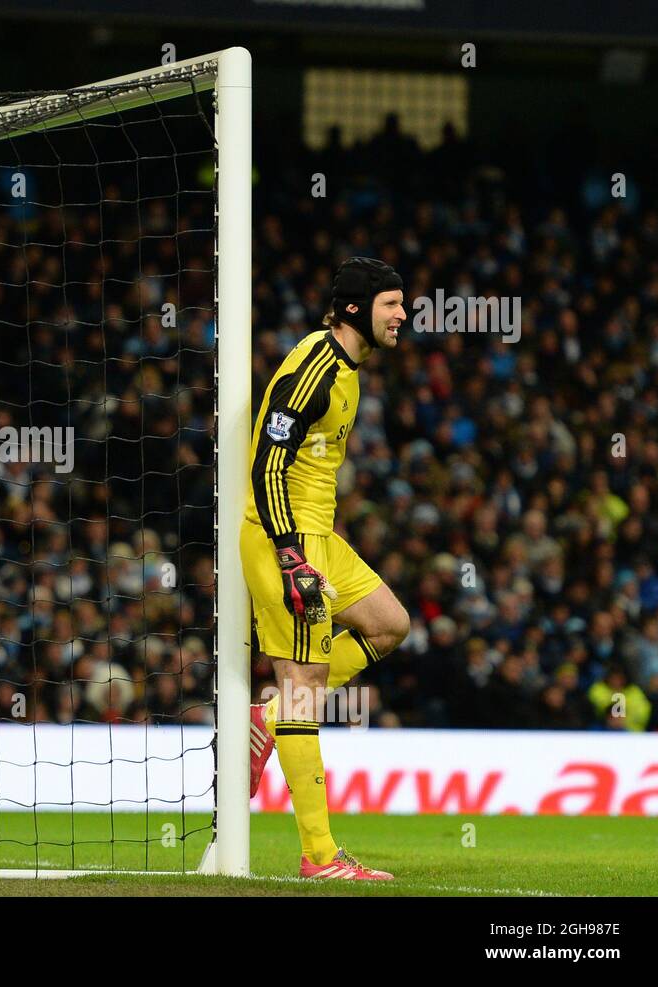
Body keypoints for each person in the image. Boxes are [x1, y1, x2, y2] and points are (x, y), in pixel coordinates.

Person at [243, 257, 412, 880]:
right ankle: (319, 856)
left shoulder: (348, 368)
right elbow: (266, 464)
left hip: (321, 533)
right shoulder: (313, 369)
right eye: (392, 304)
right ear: (353, 309)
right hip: (282, 536)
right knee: (304, 689)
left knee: (391, 625)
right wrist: (290, 557)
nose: (403, 314)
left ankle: (264, 718)